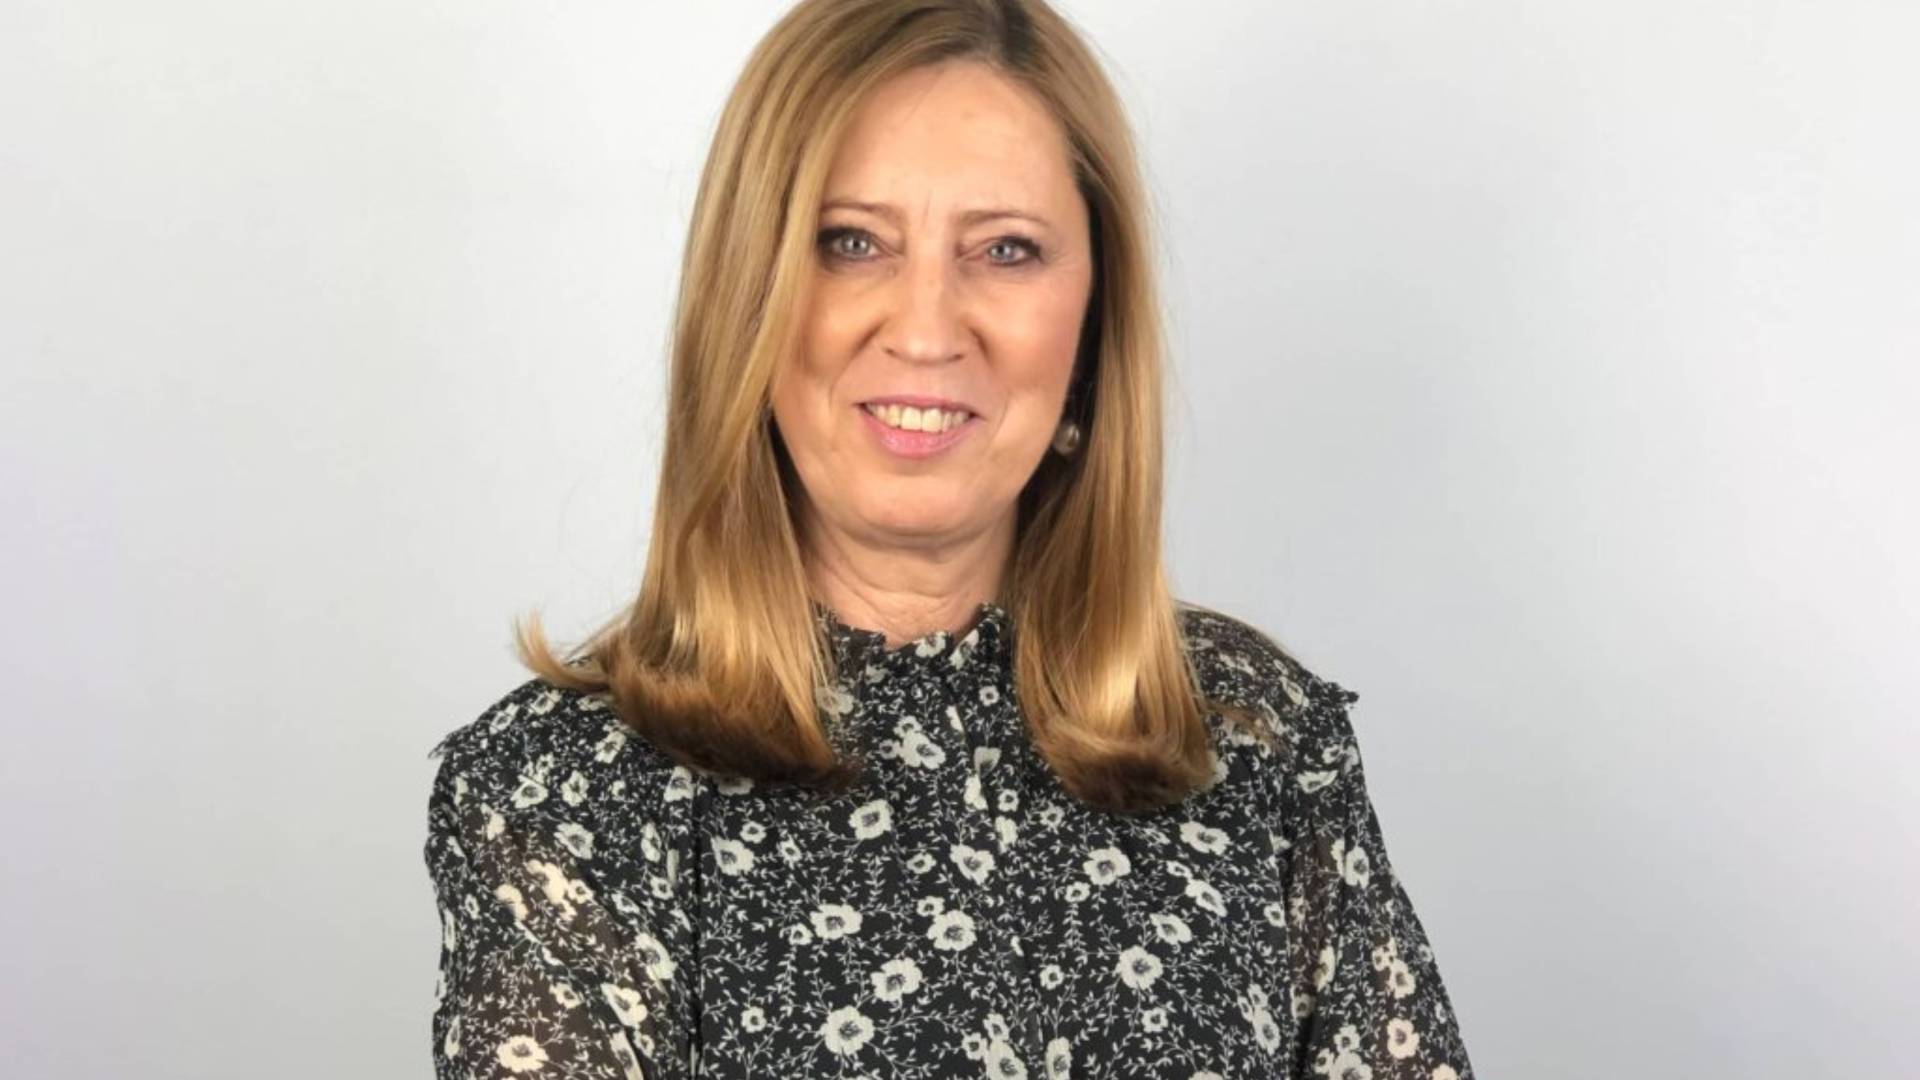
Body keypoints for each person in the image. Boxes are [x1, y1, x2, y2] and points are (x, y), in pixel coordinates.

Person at [422, 1, 1475, 1077]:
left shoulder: (1255, 736)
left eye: (1006, 250)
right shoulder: (561, 792)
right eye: (851, 243)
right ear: (746, 297)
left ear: (1094, 321)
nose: (926, 330)